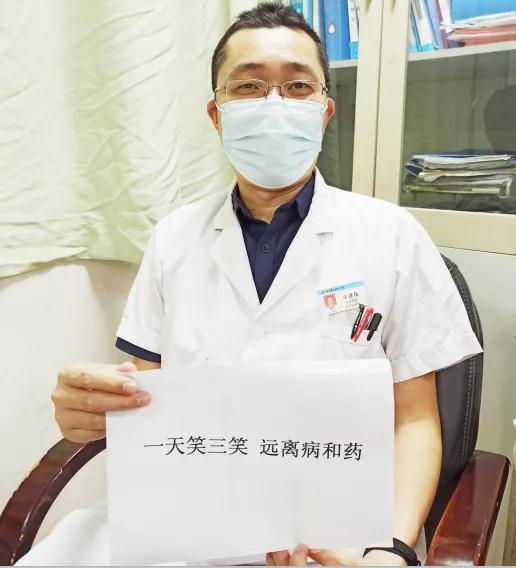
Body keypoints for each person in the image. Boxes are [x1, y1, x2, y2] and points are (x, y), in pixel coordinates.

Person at [26, 2, 482, 566]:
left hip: (337, 538)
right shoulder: (173, 238)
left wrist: (388, 550)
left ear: (324, 112)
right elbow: (150, 399)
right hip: (189, 526)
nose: (274, 105)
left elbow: (413, 420)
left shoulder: (392, 236)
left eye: (297, 86)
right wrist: (91, 412)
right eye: (248, 86)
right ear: (217, 115)